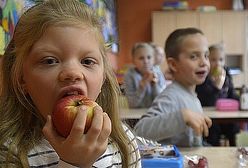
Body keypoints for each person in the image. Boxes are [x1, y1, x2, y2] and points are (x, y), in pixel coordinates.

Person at [0, 0, 141, 167]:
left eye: (87, 61)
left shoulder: (124, 141)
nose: (73, 73)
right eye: (50, 61)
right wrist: (74, 164)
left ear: (103, 76)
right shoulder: (8, 152)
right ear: (21, 77)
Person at [134, 28, 212, 147]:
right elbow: (139, 131)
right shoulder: (171, 97)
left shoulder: (190, 94)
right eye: (194, 57)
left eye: (206, 55)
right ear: (173, 64)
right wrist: (183, 116)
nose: (204, 62)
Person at [196, 44, 240, 146]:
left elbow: (232, 93)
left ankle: (234, 150)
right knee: (213, 130)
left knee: (233, 126)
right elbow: (206, 101)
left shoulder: (226, 73)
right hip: (210, 116)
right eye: (213, 60)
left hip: (225, 114)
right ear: (207, 61)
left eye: (221, 60)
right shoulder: (203, 76)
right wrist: (216, 87)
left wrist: (241, 102)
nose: (218, 64)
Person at [123, 42, 166, 108]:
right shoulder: (129, 75)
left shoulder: (158, 73)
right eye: (141, 58)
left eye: (149, 57)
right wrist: (141, 87)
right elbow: (132, 105)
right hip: (135, 115)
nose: (146, 61)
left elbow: (162, 102)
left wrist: (155, 85)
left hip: (156, 113)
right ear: (133, 60)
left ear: (154, 59)